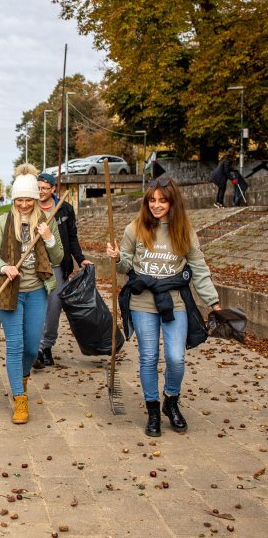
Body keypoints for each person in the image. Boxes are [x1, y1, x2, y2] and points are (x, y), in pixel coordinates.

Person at [107, 177, 220, 437]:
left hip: (174, 301)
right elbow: (125, 266)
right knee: (148, 357)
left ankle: (171, 400)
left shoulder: (184, 231)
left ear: (172, 202)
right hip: (142, 301)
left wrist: (213, 303)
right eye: (152, 200)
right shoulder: (134, 228)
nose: (156, 205)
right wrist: (116, 258)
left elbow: (200, 269)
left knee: (176, 357)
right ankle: (153, 410)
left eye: (162, 200)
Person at [0, 164, 63, 424]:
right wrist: (4, 267)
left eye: (29, 199)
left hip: (38, 291)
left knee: (31, 347)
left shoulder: (46, 221)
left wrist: (49, 238)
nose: (25, 204)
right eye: (20, 199)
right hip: (10, 293)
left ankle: (23, 377)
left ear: (37, 198)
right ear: (14, 199)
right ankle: (19, 398)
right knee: (16, 346)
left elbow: (59, 256)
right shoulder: (3, 221)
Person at [33, 172, 92, 368]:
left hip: (58, 266)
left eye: (44, 188)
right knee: (35, 308)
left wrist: (80, 259)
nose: (40, 191)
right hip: (33, 266)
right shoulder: (29, 208)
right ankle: (34, 348)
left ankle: (46, 346)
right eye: (38, 188)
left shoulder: (64, 209)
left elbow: (72, 237)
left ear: (53, 189)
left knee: (53, 308)